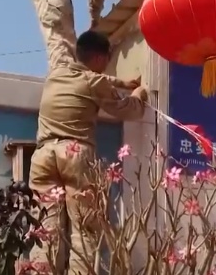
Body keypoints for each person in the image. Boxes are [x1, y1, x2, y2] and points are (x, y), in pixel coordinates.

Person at [28, 30, 147, 274]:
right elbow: (128, 110)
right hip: (74, 153)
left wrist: (120, 82)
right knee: (85, 228)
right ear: (100, 58)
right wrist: (139, 94)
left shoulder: (56, 74)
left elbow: (88, 78)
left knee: (46, 228)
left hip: (43, 155)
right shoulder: (95, 82)